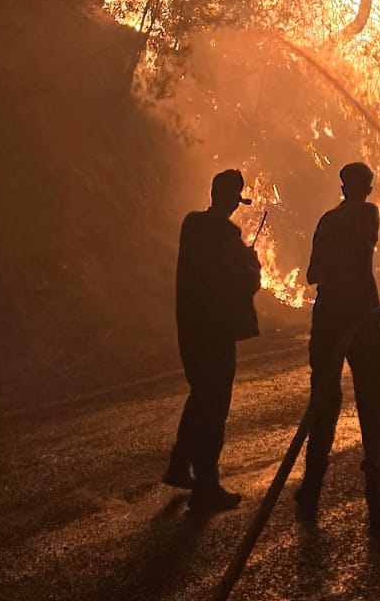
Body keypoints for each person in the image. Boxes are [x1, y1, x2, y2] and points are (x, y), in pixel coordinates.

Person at [294, 161, 380, 536]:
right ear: (366, 188)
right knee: (373, 394)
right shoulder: (368, 213)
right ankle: (377, 484)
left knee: (323, 400)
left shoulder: (326, 221)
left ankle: (311, 487)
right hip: (363, 315)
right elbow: (365, 246)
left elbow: (313, 274)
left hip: (329, 316)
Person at [163, 168, 261, 512]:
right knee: (215, 403)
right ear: (234, 200)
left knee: (200, 393)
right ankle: (206, 485)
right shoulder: (227, 235)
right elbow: (246, 284)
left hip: (189, 326)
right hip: (216, 331)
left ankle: (180, 464)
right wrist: (251, 261)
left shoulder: (191, 225)